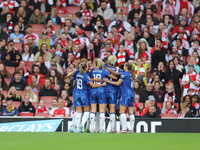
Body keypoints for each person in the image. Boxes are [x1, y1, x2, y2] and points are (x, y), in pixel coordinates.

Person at [104, 62, 135, 133]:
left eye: (124, 66)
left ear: (126, 67)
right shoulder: (132, 74)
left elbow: (118, 83)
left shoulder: (124, 74)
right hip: (132, 94)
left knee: (121, 111)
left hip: (125, 94)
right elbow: (118, 74)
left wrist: (108, 81)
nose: (123, 67)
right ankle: (131, 129)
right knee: (131, 113)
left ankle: (124, 129)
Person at [89, 59, 117, 133]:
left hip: (93, 90)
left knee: (93, 110)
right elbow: (115, 77)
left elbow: (87, 78)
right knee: (102, 111)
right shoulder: (104, 71)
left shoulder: (91, 71)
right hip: (101, 90)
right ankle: (101, 129)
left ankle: (92, 128)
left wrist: (94, 79)